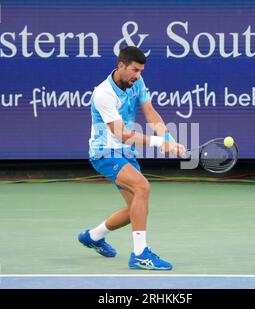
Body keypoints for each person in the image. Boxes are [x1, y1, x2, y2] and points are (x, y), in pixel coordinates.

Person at [78, 46, 185, 270]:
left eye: (141, 71)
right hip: (104, 152)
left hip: (125, 153)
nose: (138, 75)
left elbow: (149, 111)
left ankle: (93, 236)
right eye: (135, 70)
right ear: (121, 66)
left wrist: (167, 138)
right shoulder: (103, 93)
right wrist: (158, 143)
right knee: (142, 188)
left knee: (137, 210)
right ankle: (140, 255)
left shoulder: (137, 82)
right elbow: (122, 135)